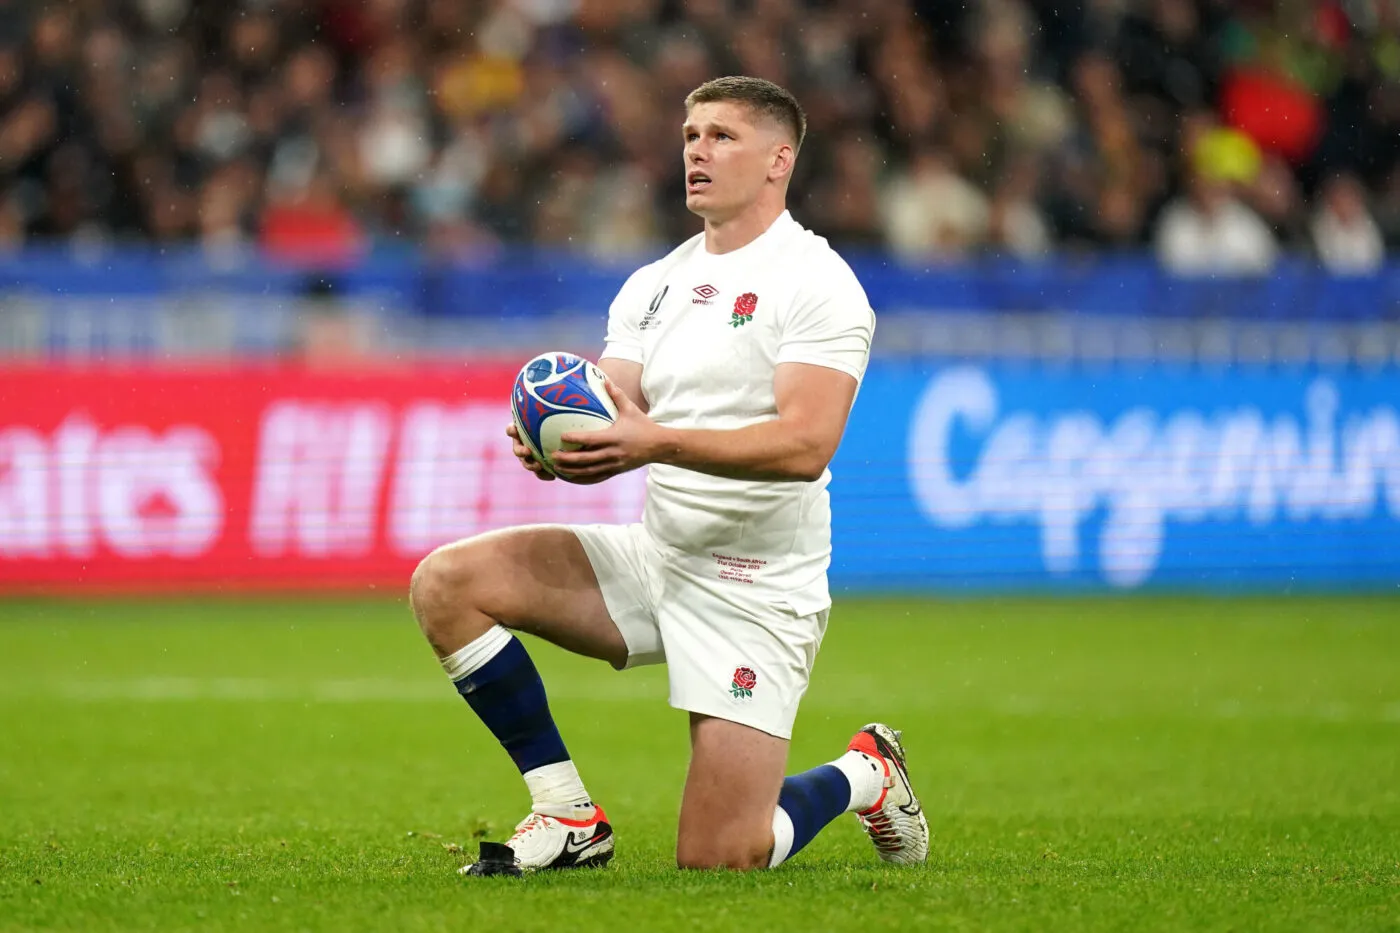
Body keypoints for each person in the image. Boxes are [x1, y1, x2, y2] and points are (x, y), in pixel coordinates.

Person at [409, 76, 927, 874]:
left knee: (722, 857)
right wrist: (557, 446)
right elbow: (618, 417)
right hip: (658, 557)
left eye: (722, 135)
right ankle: (567, 813)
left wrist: (652, 444)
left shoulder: (818, 283)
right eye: (691, 134)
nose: (696, 150)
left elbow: (804, 445)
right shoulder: (653, 286)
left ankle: (864, 772)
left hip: (755, 586)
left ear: (778, 159)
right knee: (447, 582)